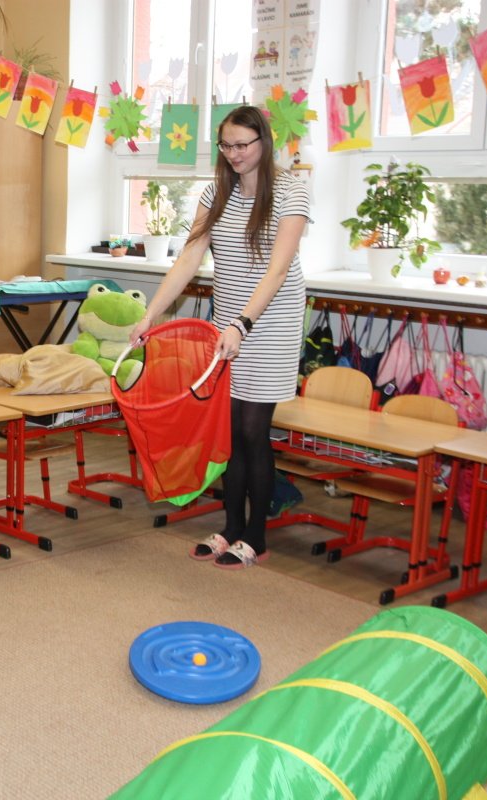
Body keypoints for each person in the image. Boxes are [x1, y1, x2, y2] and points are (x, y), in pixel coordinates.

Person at [129, 105, 310, 570]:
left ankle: (256, 536)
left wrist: (243, 324)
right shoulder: (215, 192)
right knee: (228, 430)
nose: (234, 154)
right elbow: (189, 259)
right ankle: (231, 527)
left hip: (269, 324)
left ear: (264, 142)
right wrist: (150, 314)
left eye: (242, 145)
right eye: (226, 145)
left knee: (253, 431)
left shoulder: (291, 191)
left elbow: (277, 270)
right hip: (227, 325)